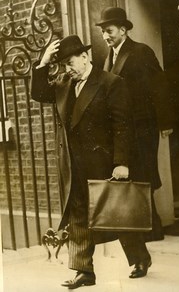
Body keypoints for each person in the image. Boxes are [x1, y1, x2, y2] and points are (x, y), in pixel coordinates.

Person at [30, 35, 152, 289]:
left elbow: (122, 127)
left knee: (117, 214)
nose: (67, 69)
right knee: (78, 215)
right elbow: (39, 93)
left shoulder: (110, 83)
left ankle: (139, 258)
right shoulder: (63, 83)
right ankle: (83, 271)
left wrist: (122, 163)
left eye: (71, 62)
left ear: (86, 56)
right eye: (62, 64)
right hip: (73, 165)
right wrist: (43, 63)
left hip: (103, 162)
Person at [96, 7, 174, 242]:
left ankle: (151, 228)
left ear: (123, 29)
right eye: (102, 32)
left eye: (109, 31)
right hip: (122, 128)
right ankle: (149, 228)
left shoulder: (141, 52)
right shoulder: (107, 58)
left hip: (142, 125)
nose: (105, 36)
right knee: (133, 176)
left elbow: (159, 87)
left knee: (144, 174)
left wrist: (165, 121)